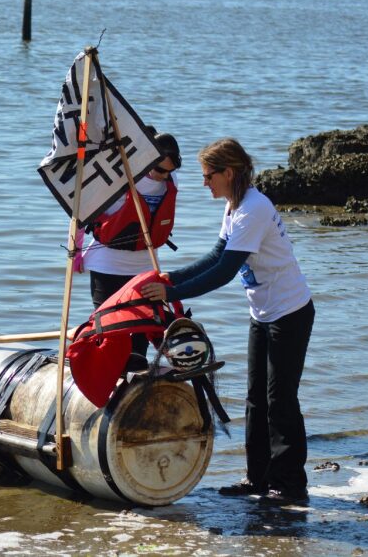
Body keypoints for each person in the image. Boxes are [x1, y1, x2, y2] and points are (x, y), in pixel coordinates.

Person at [139, 138, 314, 504]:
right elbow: (215, 255)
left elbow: (224, 272)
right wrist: (171, 278)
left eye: (208, 176)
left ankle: (290, 485)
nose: (204, 183)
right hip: (262, 312)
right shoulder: (234, 206)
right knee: (255, 399)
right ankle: (258, 478)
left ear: (228, 172)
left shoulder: (254, 208)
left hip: (290, 312)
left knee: (280, 399)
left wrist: (170, 295)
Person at [77, 132, 182, 360]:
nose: (163, 177)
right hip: (107, 266)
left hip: (145, 267)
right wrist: (76, 251)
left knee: (139, 346)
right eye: (159, 170)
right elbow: (80, 210)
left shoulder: (170, 181)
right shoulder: (121, 176)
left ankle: (138, 390)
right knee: (110, 337)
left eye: (169, 172)